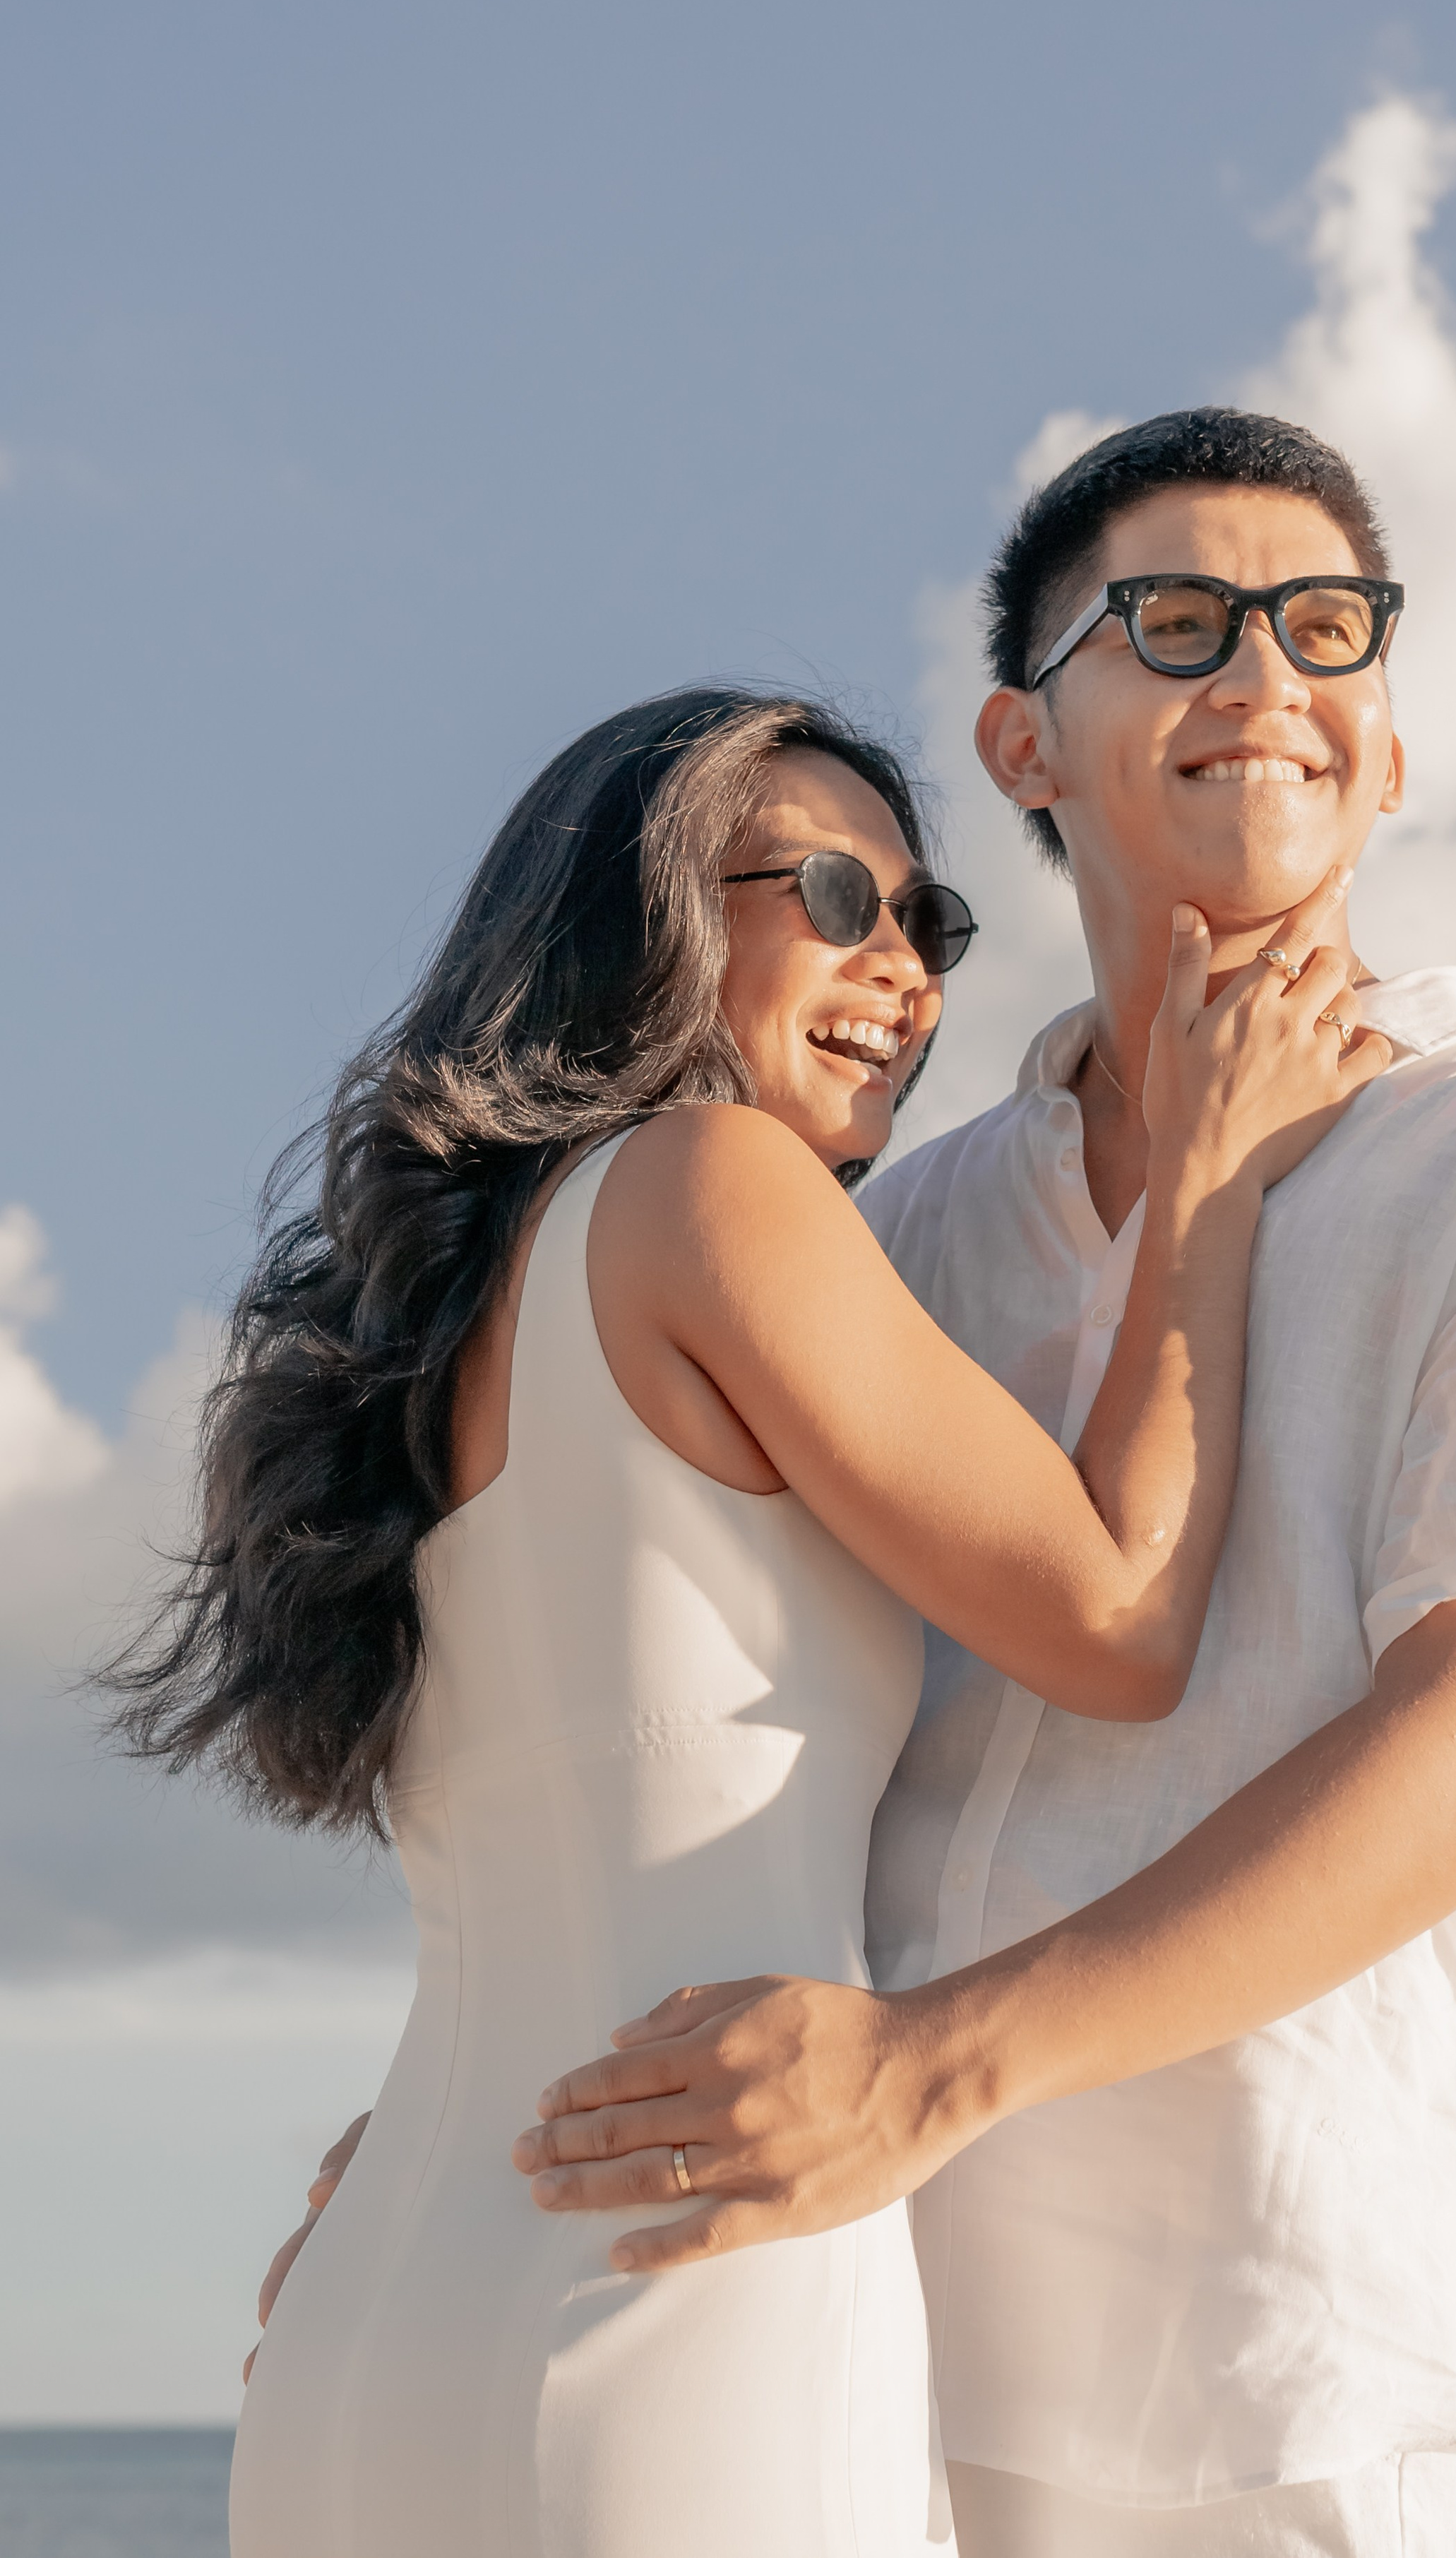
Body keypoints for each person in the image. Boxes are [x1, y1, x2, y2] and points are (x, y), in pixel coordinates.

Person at [491, 413, 1456, 2557]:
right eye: (1176, 621)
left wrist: (936, 2068)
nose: (1262, 679)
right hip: (839, 2340)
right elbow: (695, 1728)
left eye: (1328, 629)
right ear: (1026, 744)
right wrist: (479, 2134)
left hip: (1294, 2369)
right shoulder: (889, 1224)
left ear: (1391, 745)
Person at [110, 682, 1383, 2558]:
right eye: (839, 900)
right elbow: (1115, 1614)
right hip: (684, 2285)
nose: (912, 975)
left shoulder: (434, 1344)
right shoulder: (712, 1185)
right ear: (649, 918)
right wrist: (1204, 1172)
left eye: (931, 922)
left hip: (367, 2322)